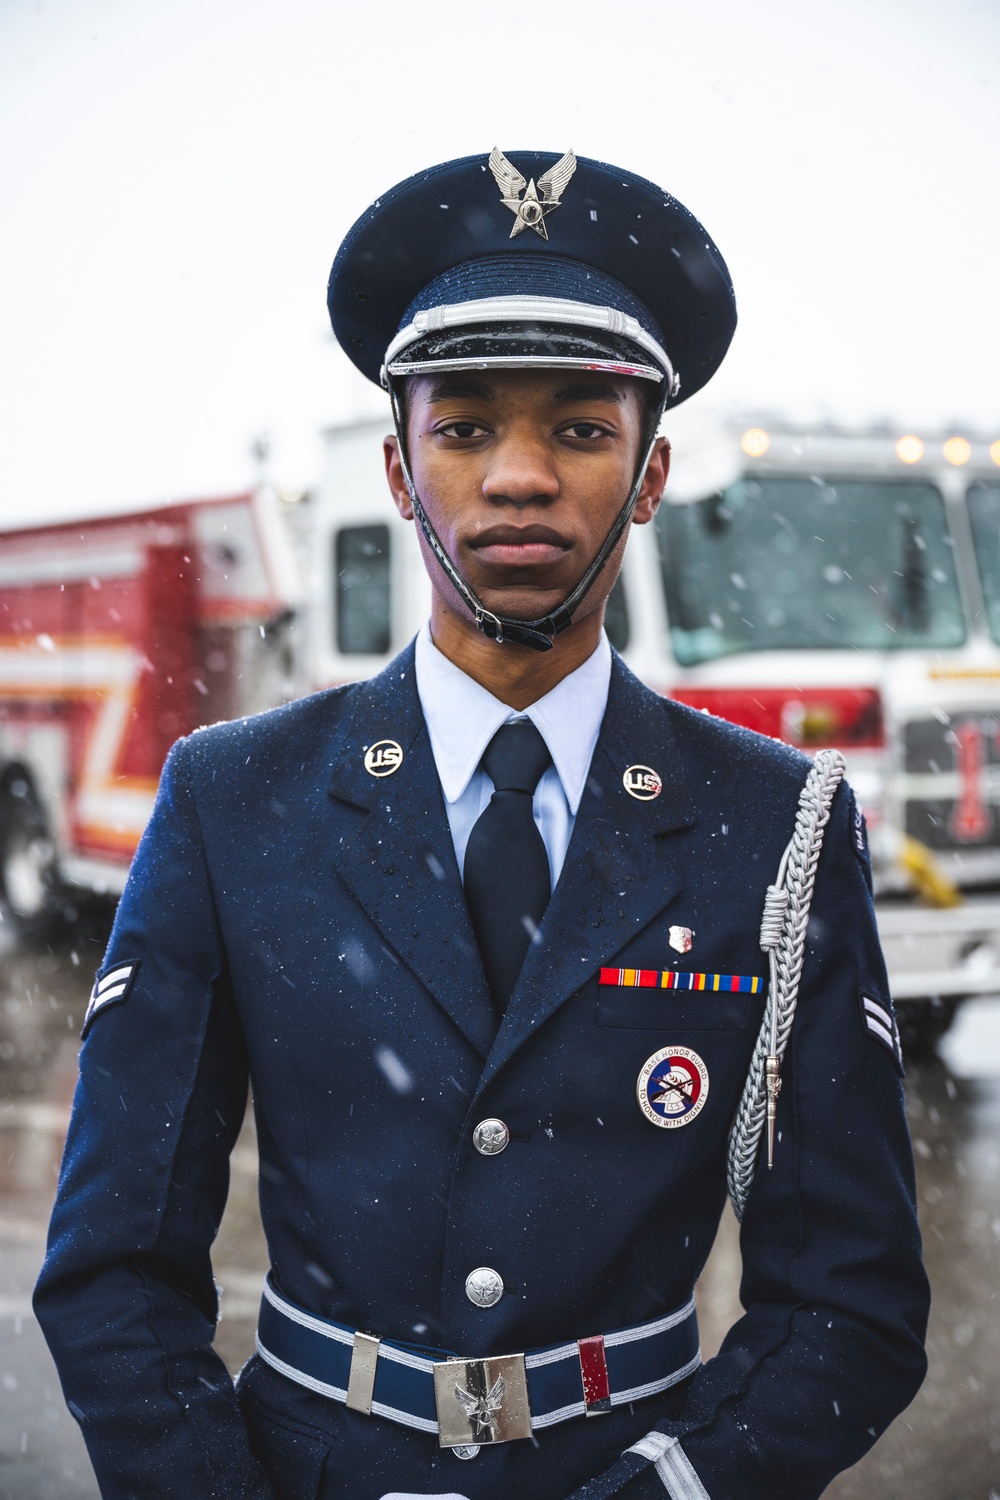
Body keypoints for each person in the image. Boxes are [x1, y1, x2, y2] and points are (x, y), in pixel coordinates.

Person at [35, 148, 929, 1500]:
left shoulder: (781, 823)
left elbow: (850, 1305)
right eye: (464, 429)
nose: (519, 476)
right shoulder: (234, 798)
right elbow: (114, 1270)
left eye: (579, 426)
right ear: (399, 469)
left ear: (650, 472)